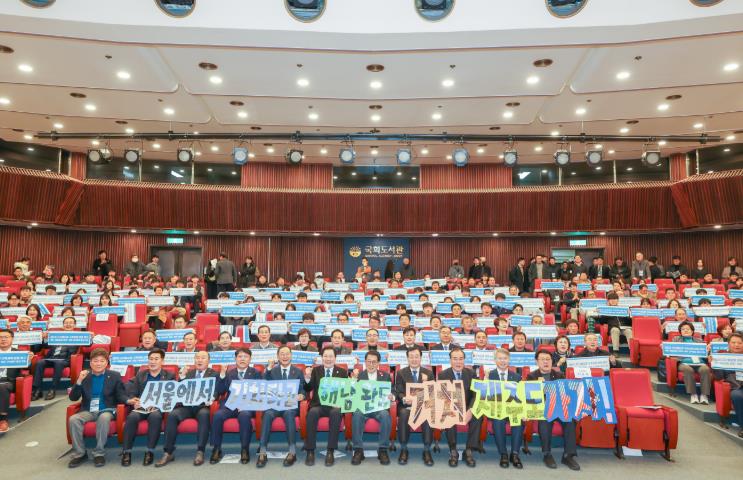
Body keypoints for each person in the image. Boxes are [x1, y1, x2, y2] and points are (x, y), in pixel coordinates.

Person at [67, 348, 128, 468]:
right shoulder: (85, 376)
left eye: (102, 361)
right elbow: (73, 398)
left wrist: (128, 400)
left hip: (107, 409)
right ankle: (80, 453)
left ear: (106, 363)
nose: (98, 364)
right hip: (88, 410)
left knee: (104, 418)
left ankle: (99, 453)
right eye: (95, 361)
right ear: (90, 363)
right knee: (74, 419)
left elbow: (120, 395)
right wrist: (79, 381)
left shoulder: (114, 375)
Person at [157, 351, 218, 467]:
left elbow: (216, 390)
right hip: (187, 407)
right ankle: (168, 452)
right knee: (172, 415)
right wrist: (182, 378)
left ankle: (200, 451)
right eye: (197, 358)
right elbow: (179, 391)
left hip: (202, 406)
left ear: (208, 361)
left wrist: (212, 397)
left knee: (204, 414)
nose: (199, 360)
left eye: (203, 358)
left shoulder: (214, 374)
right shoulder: (189, 373)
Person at [526, 350, 580, 471]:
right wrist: (539, 388)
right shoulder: (531, 376)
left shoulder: (559, 375)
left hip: (559, 408)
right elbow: (529, 397)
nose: (545, 362)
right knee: (545, 420)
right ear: (537, 362)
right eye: (542, 359)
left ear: (552, 361)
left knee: (570, 420)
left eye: (548, 359)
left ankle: (568, 456)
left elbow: (565, 394)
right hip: (543, 409)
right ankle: (547, 454)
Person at [121, 349, 175, 466]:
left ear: (162, 361)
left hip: (157, 407)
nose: (153, 362)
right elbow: (133, 392)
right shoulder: (141, 374)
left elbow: (171, 395)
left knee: (155, 417)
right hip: (142, 406)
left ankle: (150, 451)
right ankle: (126, 451)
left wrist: (158, 404)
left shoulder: (169, 375)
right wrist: (134, 400)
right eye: (151, 359)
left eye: (156, 359)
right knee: (132, 417)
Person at [210, 348, 262, 464]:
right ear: (235, 359)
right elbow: (221, 391)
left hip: (248, 405)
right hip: (231, 405)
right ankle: (216, 448)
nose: (242, 359)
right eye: (240, 357)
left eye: (245, 357)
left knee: (244, 416)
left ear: (250, 359)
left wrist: (247, 404)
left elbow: (259, 392)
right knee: (218, 415)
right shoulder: (229, 373)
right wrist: (222, 375)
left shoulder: (255, 373)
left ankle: (244, 449)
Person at [257, 346, 306, 467]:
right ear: (278, 357)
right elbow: (263, 383)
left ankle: (292, 452)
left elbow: (302, 388)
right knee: (267, 414)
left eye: (287, 354)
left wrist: (302, 395)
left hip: (290, 405)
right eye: (282, 354)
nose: (285, 356)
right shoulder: (272, 371)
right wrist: (268, 368)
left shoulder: (298, 371)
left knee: (289, 414)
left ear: (291, 356)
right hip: (275, 405)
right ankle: (262, 451)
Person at [302, 346, 348, 466]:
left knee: (336, 413)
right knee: (312, 413)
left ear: (335, 358)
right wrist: (307, 378)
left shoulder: (342, 372)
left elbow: (346, 391)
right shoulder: (316, 371)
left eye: (331, 356)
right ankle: (310, 450)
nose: (328, 359)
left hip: (334, 405)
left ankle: (330, 450)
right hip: (318, 405)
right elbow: (308, 388)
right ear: (321, 358)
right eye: (325, 356)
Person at [437, 347, 480, 467]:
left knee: (478, 414)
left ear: (464, 360)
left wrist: (470, 410)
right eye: (455, 359)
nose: (458, 362)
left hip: (467, 407)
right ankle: (453, 450)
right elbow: (442, 396)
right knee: (448, 414)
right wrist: (451, 409)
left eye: (461, 359)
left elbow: (476, 395)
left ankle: (469, 450)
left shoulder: (471, 374)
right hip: (451, 406)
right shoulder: (443, 375)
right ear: (450, 360)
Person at [349, 350, 394, 465]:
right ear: (365, 362)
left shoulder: (385, 376)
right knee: (357, 414)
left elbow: (392, 391)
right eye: (369, 361)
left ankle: (383, 450)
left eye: (374, 362)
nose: (371, 364)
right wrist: (353, 381)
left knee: (385, 415)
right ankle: (358, 450)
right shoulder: (359, 376)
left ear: (378, 363)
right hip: (363, 408)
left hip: (379, 408)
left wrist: (392, 396)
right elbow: (351, 393)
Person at [394, 346, 434, 466]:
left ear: (421, 358)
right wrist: (404, 398)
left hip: (423, 405)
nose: (414, 359)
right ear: (407, 358)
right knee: (403, 413)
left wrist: (426, 384)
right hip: (407, 405)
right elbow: (398, 391)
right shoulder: (401, 373)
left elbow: (432, 392)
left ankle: (427, 450)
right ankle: (404, 448)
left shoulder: (428, 373)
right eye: (411, 357)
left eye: (417, 356)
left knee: (427, 413)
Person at [489, 348, 524, 469]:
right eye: (500, 358)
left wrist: (523, 411)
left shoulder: (517, 376)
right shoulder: (490, 375)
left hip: (513, 409)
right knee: (498, 420)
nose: (502, 361)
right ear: (495, 360)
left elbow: (521, 396)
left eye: (505, 358)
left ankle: (515, 454)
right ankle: (503, 453)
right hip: (496, 409)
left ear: (509, 360)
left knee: (518, 420)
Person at [32, 316, 78, 400]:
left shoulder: (78, 337)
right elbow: (43, 346)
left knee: (58, 363)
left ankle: (53, 389)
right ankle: (37, 389)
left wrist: (90, 339)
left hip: (65, 360)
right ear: (63, 325)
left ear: (74, 325)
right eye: (66, 323)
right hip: (51, 358)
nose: (68, 324)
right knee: (40, 362)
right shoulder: (56, 335)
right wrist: (44, 339)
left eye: (71, 323)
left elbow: (87, 345)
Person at [0, 329, 33, 433]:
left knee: (2, 386)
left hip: (10, 382)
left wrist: (29, 361)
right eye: (0, 337)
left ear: (12, 339)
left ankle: (3, 419)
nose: (3, 339)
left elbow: (27, 369)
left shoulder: (18, 353)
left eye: (6, 337)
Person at [712, 333, 743, 438]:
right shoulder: (722, 357)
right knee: (737, 395)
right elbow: (719, 377)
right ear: (728, 344)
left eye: (739, 343)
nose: (736, 345)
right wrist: (714, 365)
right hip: (735, 387)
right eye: (733, 342)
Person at [673, 321, 711, 404]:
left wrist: (708, 351)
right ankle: (693, 394)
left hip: (699, 362)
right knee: (688, 370)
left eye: (688, 329)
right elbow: (671, 351)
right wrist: (665, 348)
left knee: (705, 369)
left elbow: (705, 354)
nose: (685, 330)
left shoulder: (699, 341)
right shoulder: (676, 340)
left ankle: (704, 395)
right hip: (684, 363)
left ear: (692, 331)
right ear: (680, 331)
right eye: (683, 329)